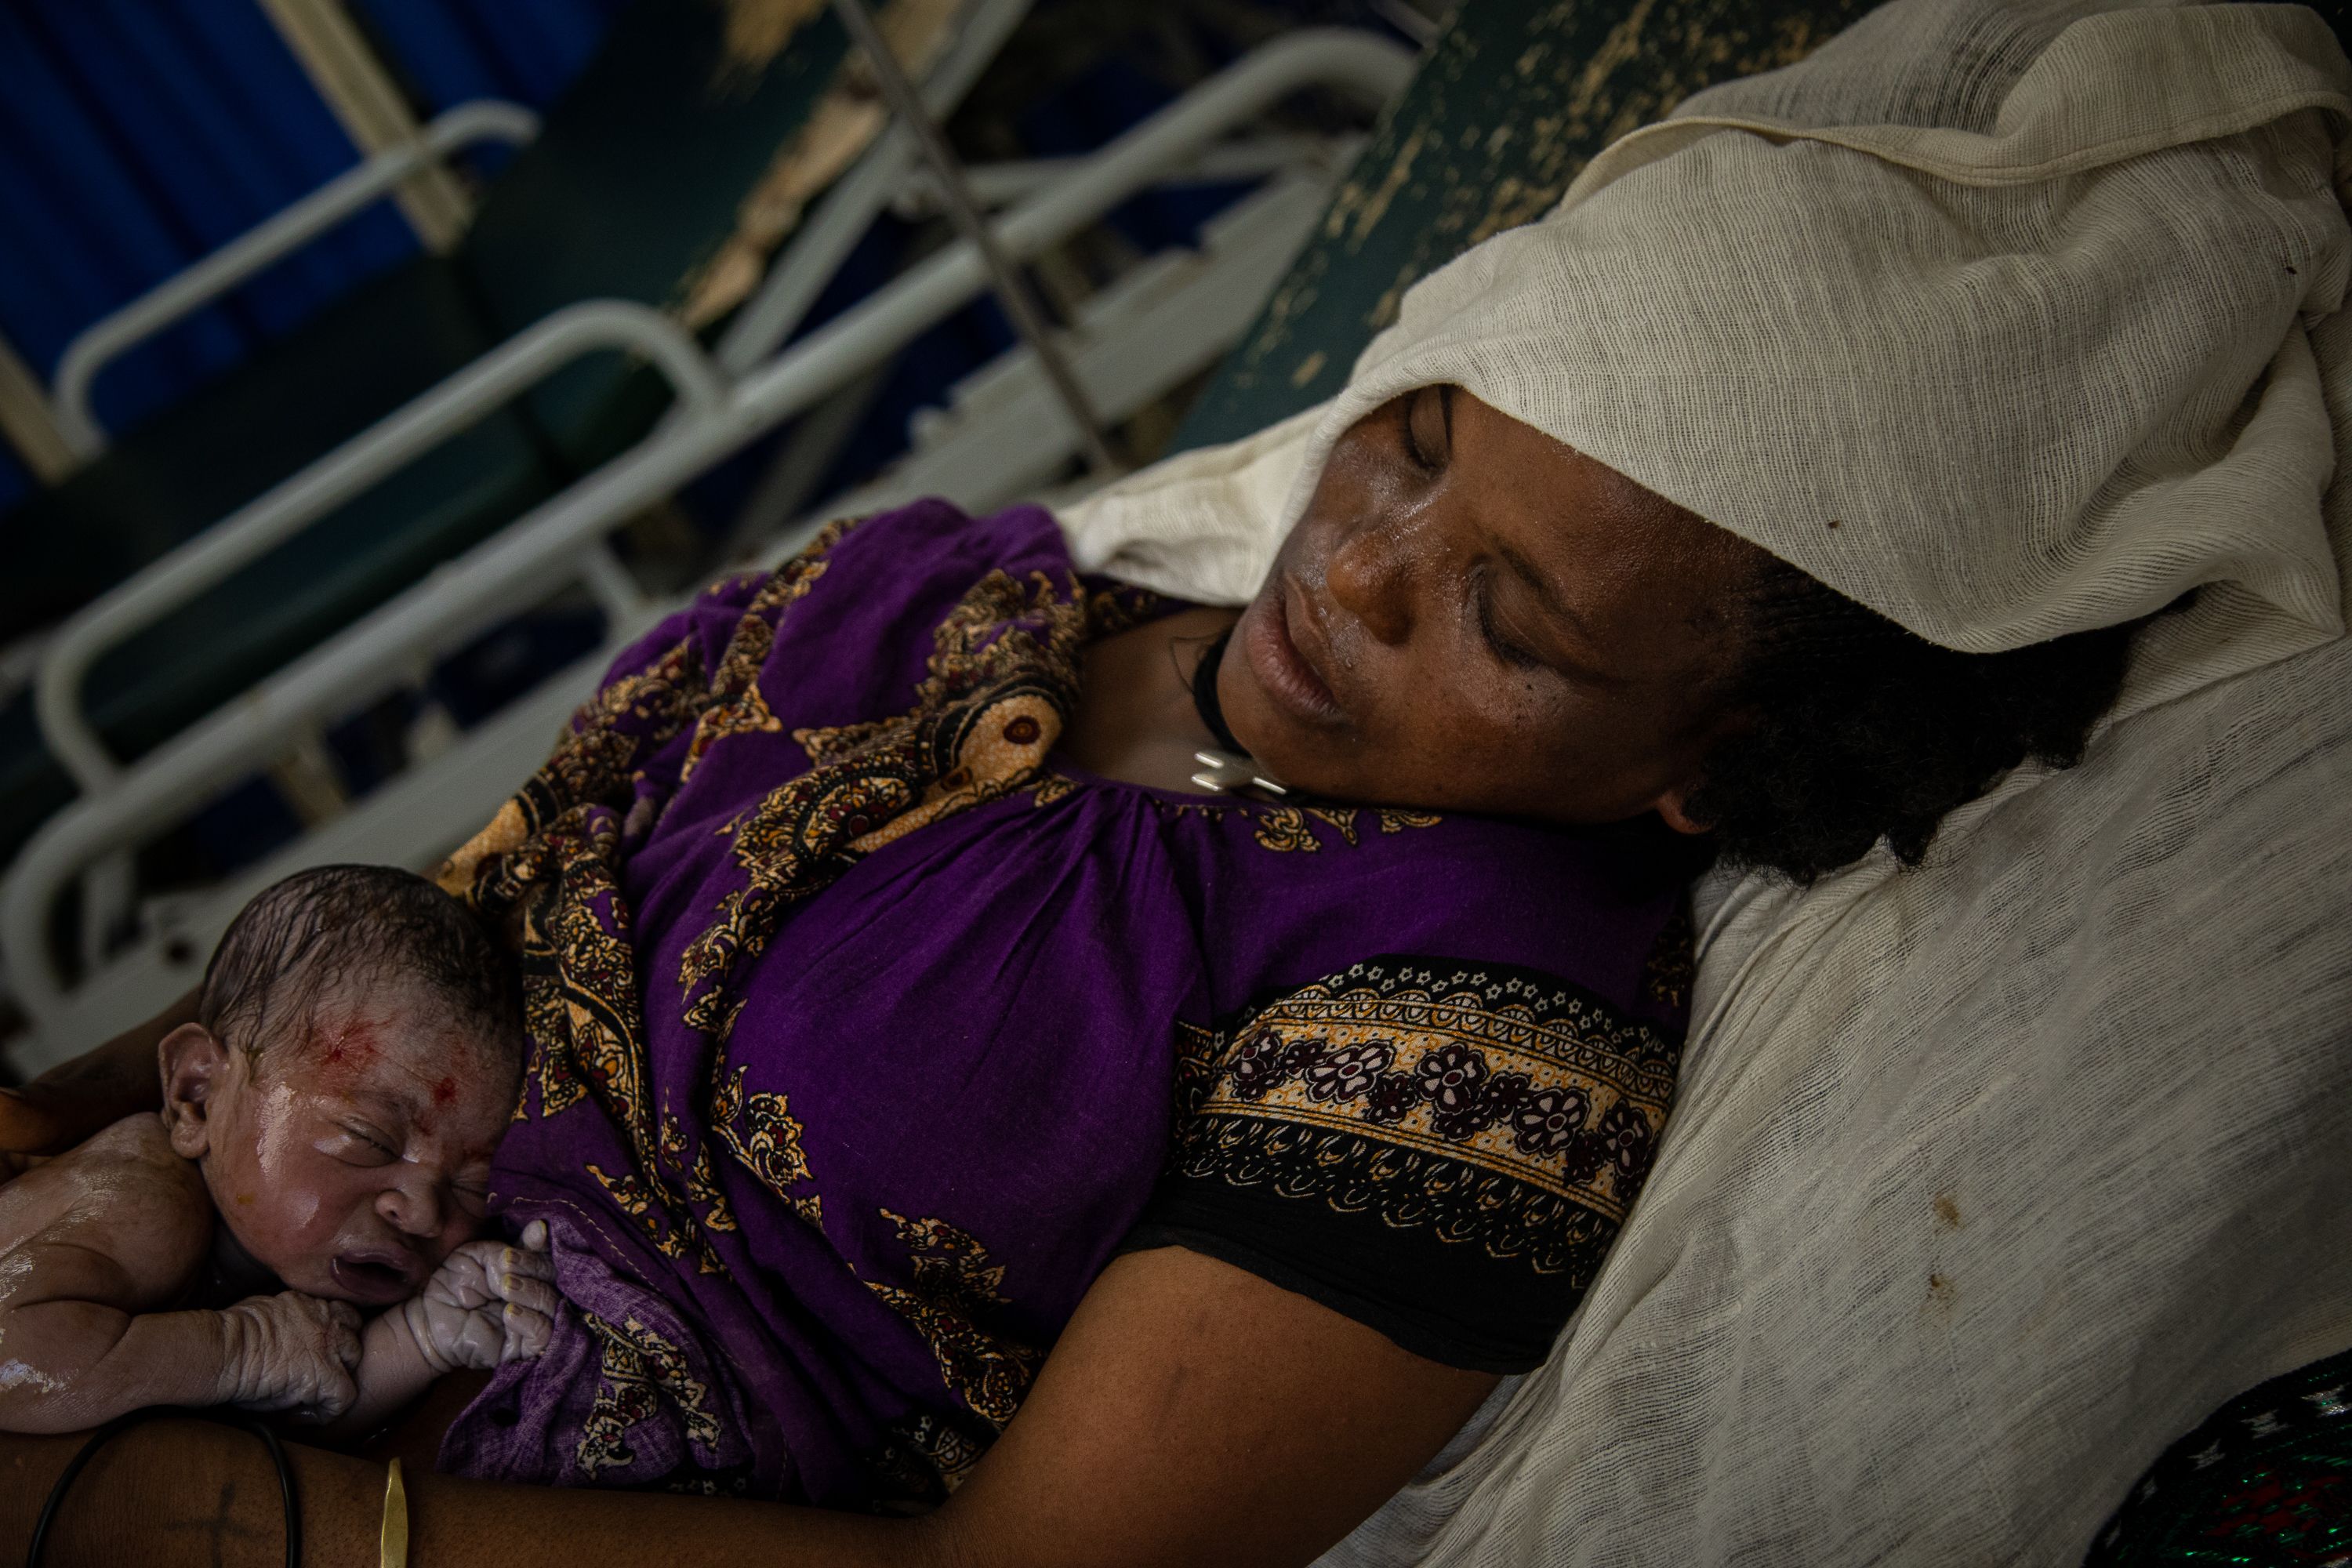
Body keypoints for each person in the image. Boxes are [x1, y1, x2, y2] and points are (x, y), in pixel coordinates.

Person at [0, 0, 2342, 1563]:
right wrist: (102, 1108)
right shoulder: (979, 588)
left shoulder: (1462, 1024)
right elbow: (446, 921)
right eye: (1408, 440)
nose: (1354, 565)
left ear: (1705, 770)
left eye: (1504, 621)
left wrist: (200, 1523)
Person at [0, 866, 555, 1437]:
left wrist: (424, 1336)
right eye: (371, 1140)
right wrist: (241, 1348)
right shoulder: (145, 1201)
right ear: (198, 1096)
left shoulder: (307, 1261)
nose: (422, 1212)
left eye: (470, 1185)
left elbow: (288, 1422)